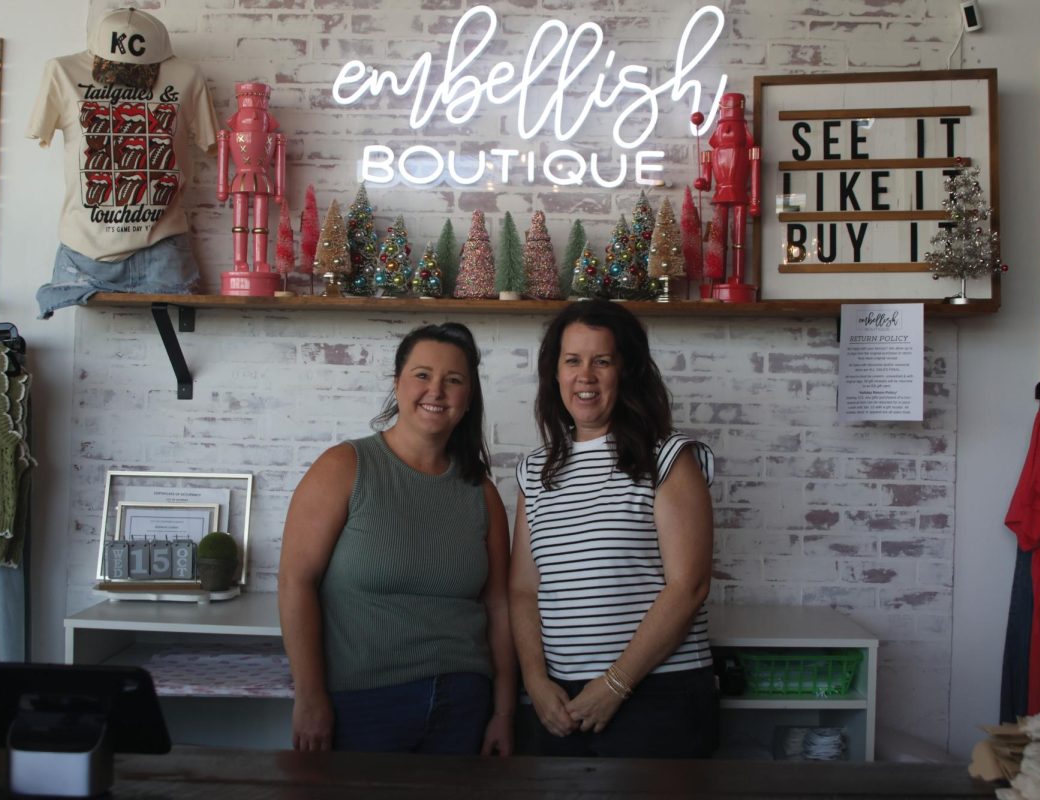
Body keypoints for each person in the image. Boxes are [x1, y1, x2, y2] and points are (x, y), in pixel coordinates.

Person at [279, 322, 516, 755]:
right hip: (362, 704)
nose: (437, 390)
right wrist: (309, 697)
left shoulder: (482, 493)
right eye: (422, 374)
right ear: (397, 384)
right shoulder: (345, 467)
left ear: (468, 399)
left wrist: (503, 713)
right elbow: (296, 583)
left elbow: (499, 606)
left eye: (454, 380)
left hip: (465, 705)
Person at [510, 299, 717, 758]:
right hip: (560, 702)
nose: (585, 375)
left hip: (657, 693)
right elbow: (523, 589)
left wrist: (615, 684)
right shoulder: (535, 470)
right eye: (572, 361)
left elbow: (690, 586)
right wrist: (535, 680)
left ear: (626, 372)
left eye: (602, 360)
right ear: (556, 374)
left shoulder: (667, 457)